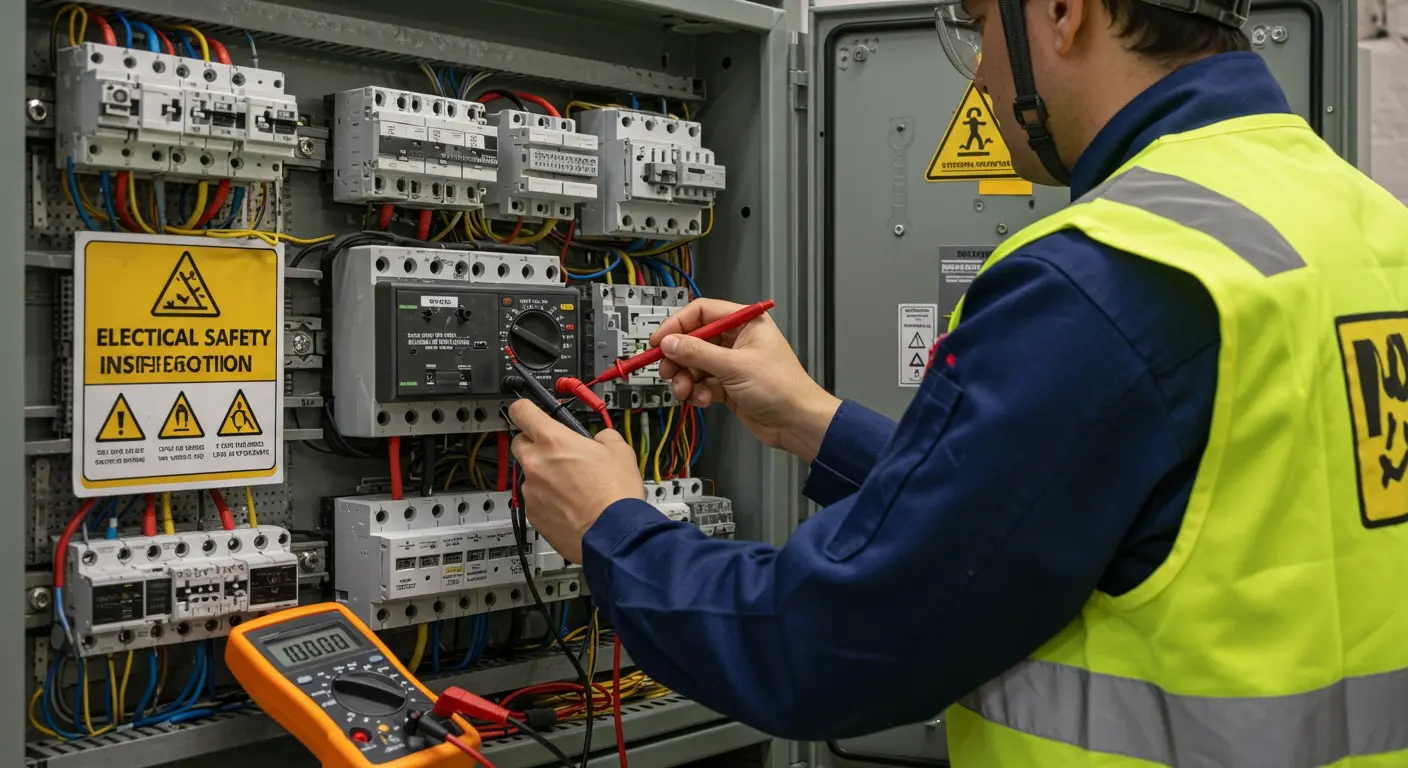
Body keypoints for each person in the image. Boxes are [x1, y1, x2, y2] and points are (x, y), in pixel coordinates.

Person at [509, 0, 1408, 760]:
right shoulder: (1364, 225)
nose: (978, 74)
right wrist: (816, 423)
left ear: (1062, 13)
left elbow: (824, 645)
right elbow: (1111, 507)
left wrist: (610, 529)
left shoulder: (1104, 273)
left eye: (980, 23)